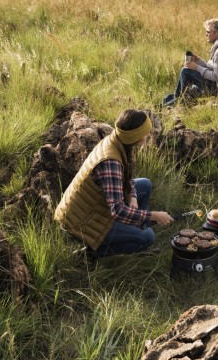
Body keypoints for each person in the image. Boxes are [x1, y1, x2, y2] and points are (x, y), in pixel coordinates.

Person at [54, 109, 175, 259]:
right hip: (83, 221)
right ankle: (89, 255)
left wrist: (132, 196)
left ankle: (135, 229)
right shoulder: (111, 162)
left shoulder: (118, 141)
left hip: (95, 206)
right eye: (145, 133)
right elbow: (118, 211)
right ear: (135, 136)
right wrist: (154, 216)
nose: (148, 135)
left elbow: (126, 178)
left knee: (144, 185)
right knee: (148, 237)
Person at [162, 17, 218, 106]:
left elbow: (216, 76)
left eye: (208, 32)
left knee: (186, 71)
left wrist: (196, 67)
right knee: (191, 89)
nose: (206, 34)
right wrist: (199, 61)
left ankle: (176, 100)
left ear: (217, 33)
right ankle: (174, 99)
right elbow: (215, 69)